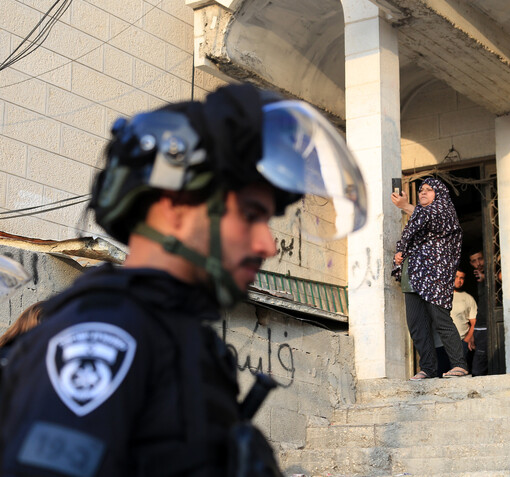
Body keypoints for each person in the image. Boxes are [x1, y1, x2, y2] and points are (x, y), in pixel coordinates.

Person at [0, 83, 367, 477]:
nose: (266, 244)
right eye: (249, 214)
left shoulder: (176, 335)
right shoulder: (106, 334)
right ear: (174, 205)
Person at [392, 178, 468, 379]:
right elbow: (410, 236)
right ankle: (427, 368)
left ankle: (459, 365)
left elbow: (430, 218)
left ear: (439, 194)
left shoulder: (444, 211)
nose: (423, 192)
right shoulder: (418, 216)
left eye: (429, 190)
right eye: (421, 190)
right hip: (413, 274)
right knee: (416, 324)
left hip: (434, 276)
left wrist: (405, 205)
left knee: (440, 319)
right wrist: (401, 253)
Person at [468, 247, 489, 376]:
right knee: (477, 370)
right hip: (480, 329)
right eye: (474, 261)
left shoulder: (494, 272)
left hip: (492, 326)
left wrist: (486, 277)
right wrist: (473, 334)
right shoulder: (475, 279)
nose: (478, 263)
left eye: (480, 259)